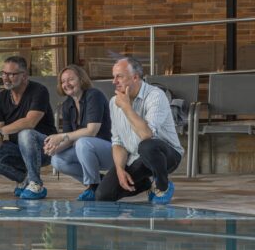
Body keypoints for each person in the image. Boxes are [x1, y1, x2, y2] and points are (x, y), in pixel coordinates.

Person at [96, 57, 183, 204]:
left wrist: (126, 107)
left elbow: (146, 135)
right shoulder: (113, 102)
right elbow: (118, 142)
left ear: (135, 77)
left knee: (147, 146)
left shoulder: (155, 96)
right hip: (136, 158)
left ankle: (163, 186)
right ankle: (144, 183)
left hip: (165, 155)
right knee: (104, 195)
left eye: (119, 77)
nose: (114, 81)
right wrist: (119, 169)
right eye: (113, 77)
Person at [0, 56, 57, 199]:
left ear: (24, 76)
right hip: (18, 150)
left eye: (11, 74)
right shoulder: (0, 98)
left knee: (26, 133)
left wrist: (0, 132)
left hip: (44, 149)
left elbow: (30, 122)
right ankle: (24, 180)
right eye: (3, 73)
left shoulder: (39, 91)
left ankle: (36, 184)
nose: (6, 78)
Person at [44, 64, 113, 201]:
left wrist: (60, 136)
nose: (66, 84)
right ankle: (101, 182)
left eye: (71, 80)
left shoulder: (94, 95)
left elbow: (92, 131)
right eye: (63, 81)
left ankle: (92, 187)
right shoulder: (67, 105)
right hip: (86, 152)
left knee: (83, 142)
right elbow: (69, 139)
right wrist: (55, 148)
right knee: (57, 160)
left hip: (110, 151)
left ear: (81, 80)